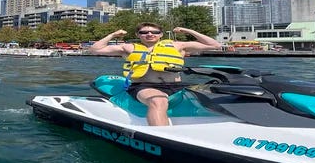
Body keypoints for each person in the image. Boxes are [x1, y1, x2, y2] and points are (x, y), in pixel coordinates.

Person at [89, 23, 221, 126]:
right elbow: (95, 49)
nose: (149, 34)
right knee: (158, 100)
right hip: (143, 86)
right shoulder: (129, 48)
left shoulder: (178, 45)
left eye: (154, 32)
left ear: (161, 34)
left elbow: (214, 44)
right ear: (138, 34)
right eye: (144, 32)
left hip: (176, 86)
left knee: (214, 92)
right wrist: (114, 34)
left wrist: (188, 31)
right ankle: (164, 138)